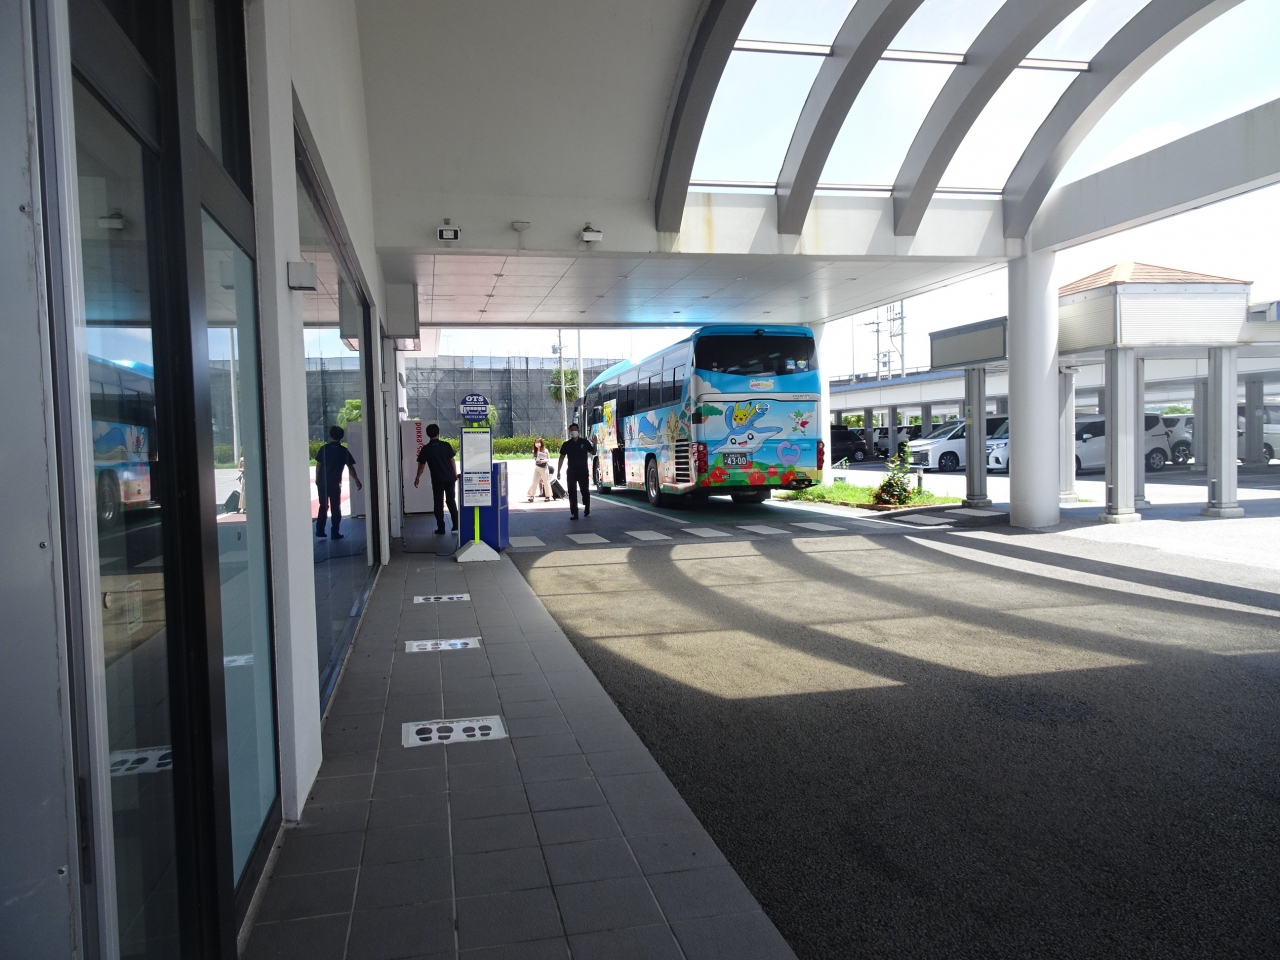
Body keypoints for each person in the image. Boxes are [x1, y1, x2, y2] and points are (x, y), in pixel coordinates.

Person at [315, 426, 362, 540]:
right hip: (335, 482)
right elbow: (350, 467)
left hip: (322, 482)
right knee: (335, 507)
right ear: (341, 437)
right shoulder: (343, 450)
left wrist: (317, 478)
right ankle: (335, 532)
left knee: (323, 505)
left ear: (330, 435)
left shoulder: (324, 448)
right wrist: (356, 480)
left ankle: (320, 530)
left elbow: (318, 465)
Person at [413, 423, 459, 534]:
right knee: (451, 501)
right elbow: (452, 461)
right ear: (438, 433)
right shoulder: (446, 445)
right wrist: (455, 473)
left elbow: (421, 466)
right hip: (449, 478)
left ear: (427, 434)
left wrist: (417, 478)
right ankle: (456, 525)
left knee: (438, 503)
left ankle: (441, 528)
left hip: (437, 480)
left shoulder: (426, 449)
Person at [556, 423, 596, 520]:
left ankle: (587, 506)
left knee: (584, 491)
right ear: (570, 432)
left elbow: (593, 452)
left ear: (578, 431)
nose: (574, 431)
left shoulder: (584, 442)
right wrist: (558, 471)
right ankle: (574, 513)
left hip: (583, 471)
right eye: (572, 430)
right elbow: (561, 457)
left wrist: (595, 444)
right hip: (571, 472)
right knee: (572, 492)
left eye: (575, 429)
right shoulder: (566, 444)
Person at [527, 438, 553, 502]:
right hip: (537, 467)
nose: (537, 444)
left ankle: (548, 496)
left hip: (544, 468)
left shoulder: (545, 450)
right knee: (534, 481)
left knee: (546, 481)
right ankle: (531, 495)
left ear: (541, 443)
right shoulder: (534, 451)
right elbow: (535, 459)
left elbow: (549, 459)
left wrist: (543, 461)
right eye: (536, 442)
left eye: (538, 442)